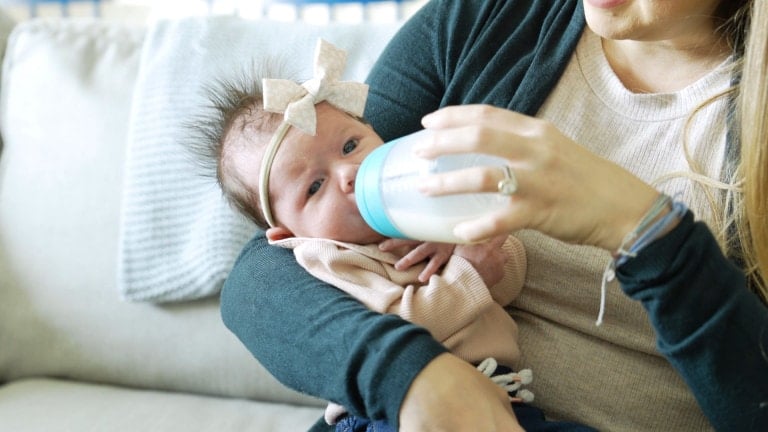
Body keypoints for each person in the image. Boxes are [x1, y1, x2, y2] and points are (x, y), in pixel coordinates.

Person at [219, 0, 768, 431]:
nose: (345, 172)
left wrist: (645, 230)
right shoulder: (487, 18)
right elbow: (263, 277)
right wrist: (416, 379)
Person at [196, 37, 597, 432]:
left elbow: (505, 281)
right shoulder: (330, 258)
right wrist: (467, 276)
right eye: (315, 187)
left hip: (498, 396)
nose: (348, 174)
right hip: (388, 413)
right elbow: (399, 328)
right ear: (287, 234)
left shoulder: (423, 202)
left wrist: (465, 238)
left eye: (351, 144)